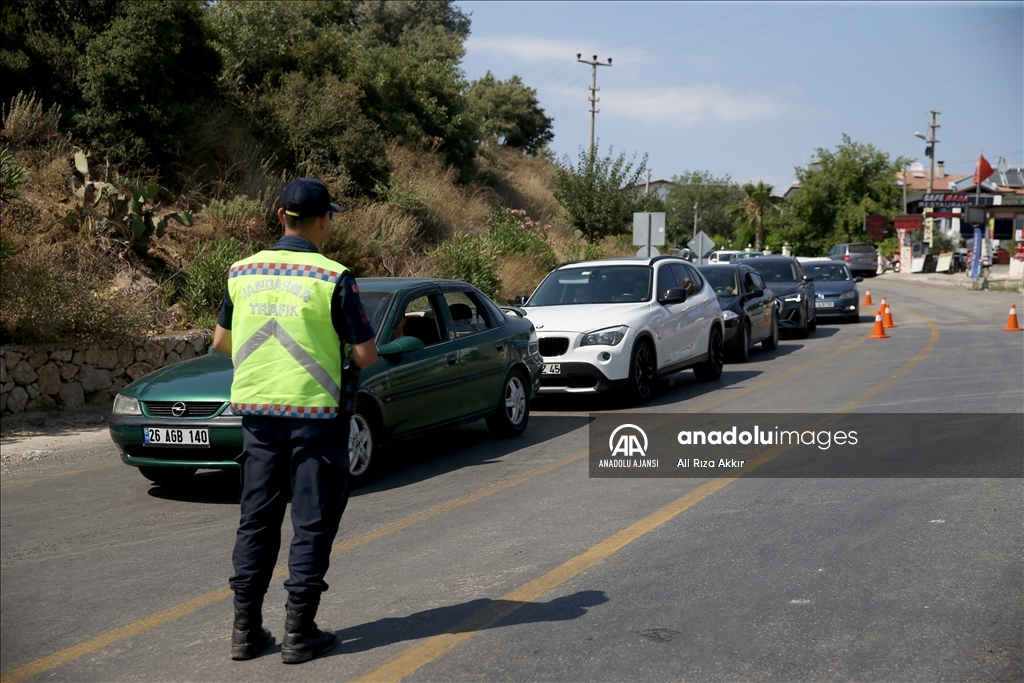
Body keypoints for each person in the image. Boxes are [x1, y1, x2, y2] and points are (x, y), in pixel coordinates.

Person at [212, 178, 378, 664]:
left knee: (256, 521)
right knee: (312, 522)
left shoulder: (241, 272)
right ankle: (300, 632)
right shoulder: (333, 277)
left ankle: (246, 631)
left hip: (257, 416)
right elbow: (366, 353)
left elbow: (221, 342)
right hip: (316, 419)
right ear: (324, 219)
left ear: (280, 217)